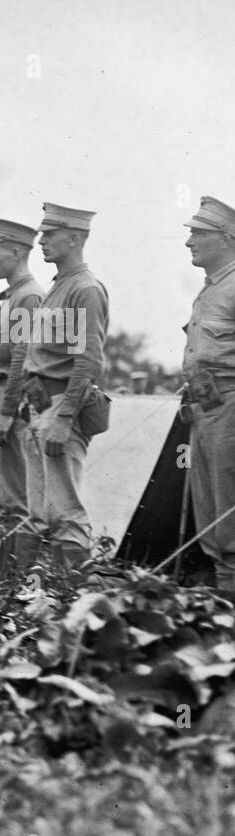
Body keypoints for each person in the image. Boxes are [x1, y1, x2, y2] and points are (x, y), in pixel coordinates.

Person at [21, 203, 109, 572]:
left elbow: (88, 360)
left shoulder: (85, 289)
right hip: (42, 406)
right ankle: (48, 595)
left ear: (75, 238)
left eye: (50, 235)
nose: (42, 242)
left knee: (65, 512)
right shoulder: (59, 288)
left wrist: (64, 416)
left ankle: (73, 596)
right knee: (42, 511)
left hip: (61, 406)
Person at [0, 219, 45, 572]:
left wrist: (6, 411)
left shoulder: (27, 295)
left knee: (16, 497)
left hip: (10, 398)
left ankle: (17, 580)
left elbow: (22, 356)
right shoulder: (14, 295)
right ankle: (4, 577)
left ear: (18, 252)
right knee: (3, 497)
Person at [181, 196, 235, 599]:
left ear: (227, 238)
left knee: (229, 508)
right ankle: (222, 595)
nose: (189, 242)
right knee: (211, 509)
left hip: (230, 410)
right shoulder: (210, 290)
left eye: (199, 233)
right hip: (206, 410)